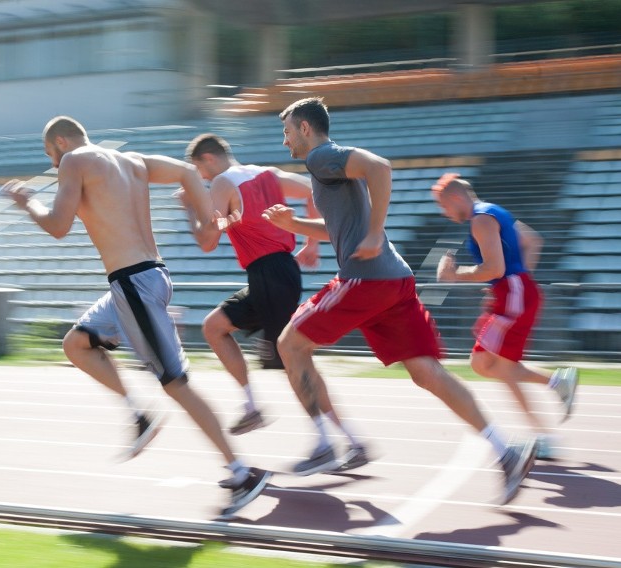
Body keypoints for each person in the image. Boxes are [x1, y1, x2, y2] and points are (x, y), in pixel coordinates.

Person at [262, 97, 536, 504]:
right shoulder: (328, 165)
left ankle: (326, 444)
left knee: (289, 344)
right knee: (428, 374)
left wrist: (375, 233)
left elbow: (380, 167)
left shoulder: (320, 156)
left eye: (286, 132)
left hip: (365, 280)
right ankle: (506, 451)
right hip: (395, 282)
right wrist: (294, 224)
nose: (284, 142)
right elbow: (338, 229)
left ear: (305, 128)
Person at [0, 116, 270, 517]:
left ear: (61, 142)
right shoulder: (132, 160)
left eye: (49, 157)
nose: (54, 167)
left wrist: (28, 202)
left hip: (133, 284)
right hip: (144, 279)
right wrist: (206, 223)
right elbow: (186, 173)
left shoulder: (74, 160)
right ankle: (138, 415)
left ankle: (242, 472)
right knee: (76, 344)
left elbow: (58, 226)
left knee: (175, 383)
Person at [183, 134, 369, 468]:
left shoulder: (223, 183)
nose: (202, 178)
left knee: (294, 359)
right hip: (272, 275)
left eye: (200, 170)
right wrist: (312, 242)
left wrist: (189, 207)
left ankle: (331, 442)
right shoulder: (268, 173)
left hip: (270, 274)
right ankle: (251, 406)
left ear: (209, 159)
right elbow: (314, 193)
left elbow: (208, 241)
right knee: (214, 327)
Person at [432, 173, 578, 459]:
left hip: (514, 293)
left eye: (443, 205)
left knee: (491, 364)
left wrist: (454, 275)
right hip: (516, 292)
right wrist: (518, 282)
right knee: (490, 364)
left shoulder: (481, 220)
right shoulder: (496, 212)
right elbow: (533, 241)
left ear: (456, 197)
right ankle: (554, 392)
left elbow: (494, 269)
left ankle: (543, 430)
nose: (444, 212)